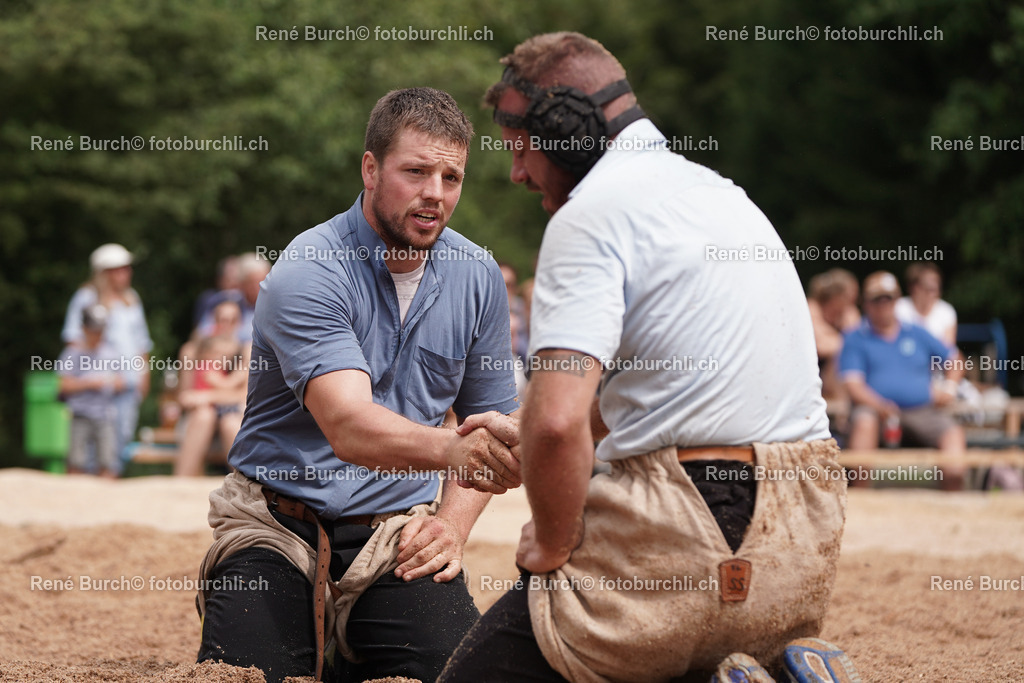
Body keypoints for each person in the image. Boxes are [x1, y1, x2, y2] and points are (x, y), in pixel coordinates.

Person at [441, 32, 857, 682]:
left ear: (568, 129)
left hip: (682, 544)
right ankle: (758, 666)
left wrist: (551, 542)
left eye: (521, 150)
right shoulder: (729, 198)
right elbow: (651, 394)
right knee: (680, 649)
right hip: (798, 552)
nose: (518, 173)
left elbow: (559, 423)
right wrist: (522, 430)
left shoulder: (589, 218)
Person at [195, 87, 522, 683]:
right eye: (416, 171)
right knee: (244, 676)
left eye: (452, 177)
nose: (435, 194)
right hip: (274, 521)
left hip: (396, 529)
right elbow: (348, 425)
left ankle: (349, 641)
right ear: (370, 168)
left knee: (452, 673)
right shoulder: (309, 267)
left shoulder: (477, 273)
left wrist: (450, 525)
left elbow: (493, 427)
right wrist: (454, 450)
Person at [840, 271, 966, 490]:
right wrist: (880, 406)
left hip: (923, 410)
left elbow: (955, 359)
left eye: (888, 298)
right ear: (866, 303)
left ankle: (954, 499)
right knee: (864, 423)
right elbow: (854, 386)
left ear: (897, 300)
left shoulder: (917, 332)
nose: (883, 304)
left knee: (952, 432)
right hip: (875, 412)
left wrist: (949, 387)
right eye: (876, 299)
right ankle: (861, 498)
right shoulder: (855, 338)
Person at [62, 243, 153, 460]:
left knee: (120, 440)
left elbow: (142, 343)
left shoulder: (132, 298)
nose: (127, 273)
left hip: (127, 384)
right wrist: (91, 377)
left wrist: (144, 376)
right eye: (120, 268)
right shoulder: (85, 297)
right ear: (104, 272)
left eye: (126, 268)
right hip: (98, 390)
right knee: (92, 446)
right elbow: (73, 339)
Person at [174, 300, 249, 477]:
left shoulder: (246, 351)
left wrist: (206, 396)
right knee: (204, 416)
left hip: (231, 416)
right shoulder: (192, 351)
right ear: (213, 320)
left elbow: (243, 396)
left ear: (239, 323)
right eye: (221, 319)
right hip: (199, 418)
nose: (226, 325)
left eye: (232, 320)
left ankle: (246, 489)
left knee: (230, 421)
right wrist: (218, 395)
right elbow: (185, 397)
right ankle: (181, 483)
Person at [57, 304, 126, 478]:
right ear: (84, 329)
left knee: (107, 462)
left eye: (101, 330)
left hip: (105, 415)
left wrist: (111, 382)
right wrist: (88, 383)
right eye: (94, 330)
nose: (98, 335)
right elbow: (62, 385)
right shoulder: (72, 353)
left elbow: (121, 382)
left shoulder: (111, 352)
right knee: (75, 462)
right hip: (79, 414)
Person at [895, 261, 957, 347]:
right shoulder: (898, 308)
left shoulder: (946, 311)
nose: (934, 293)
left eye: (937, 288)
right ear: (913, 287)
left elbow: (948, 351)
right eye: (929, 288)